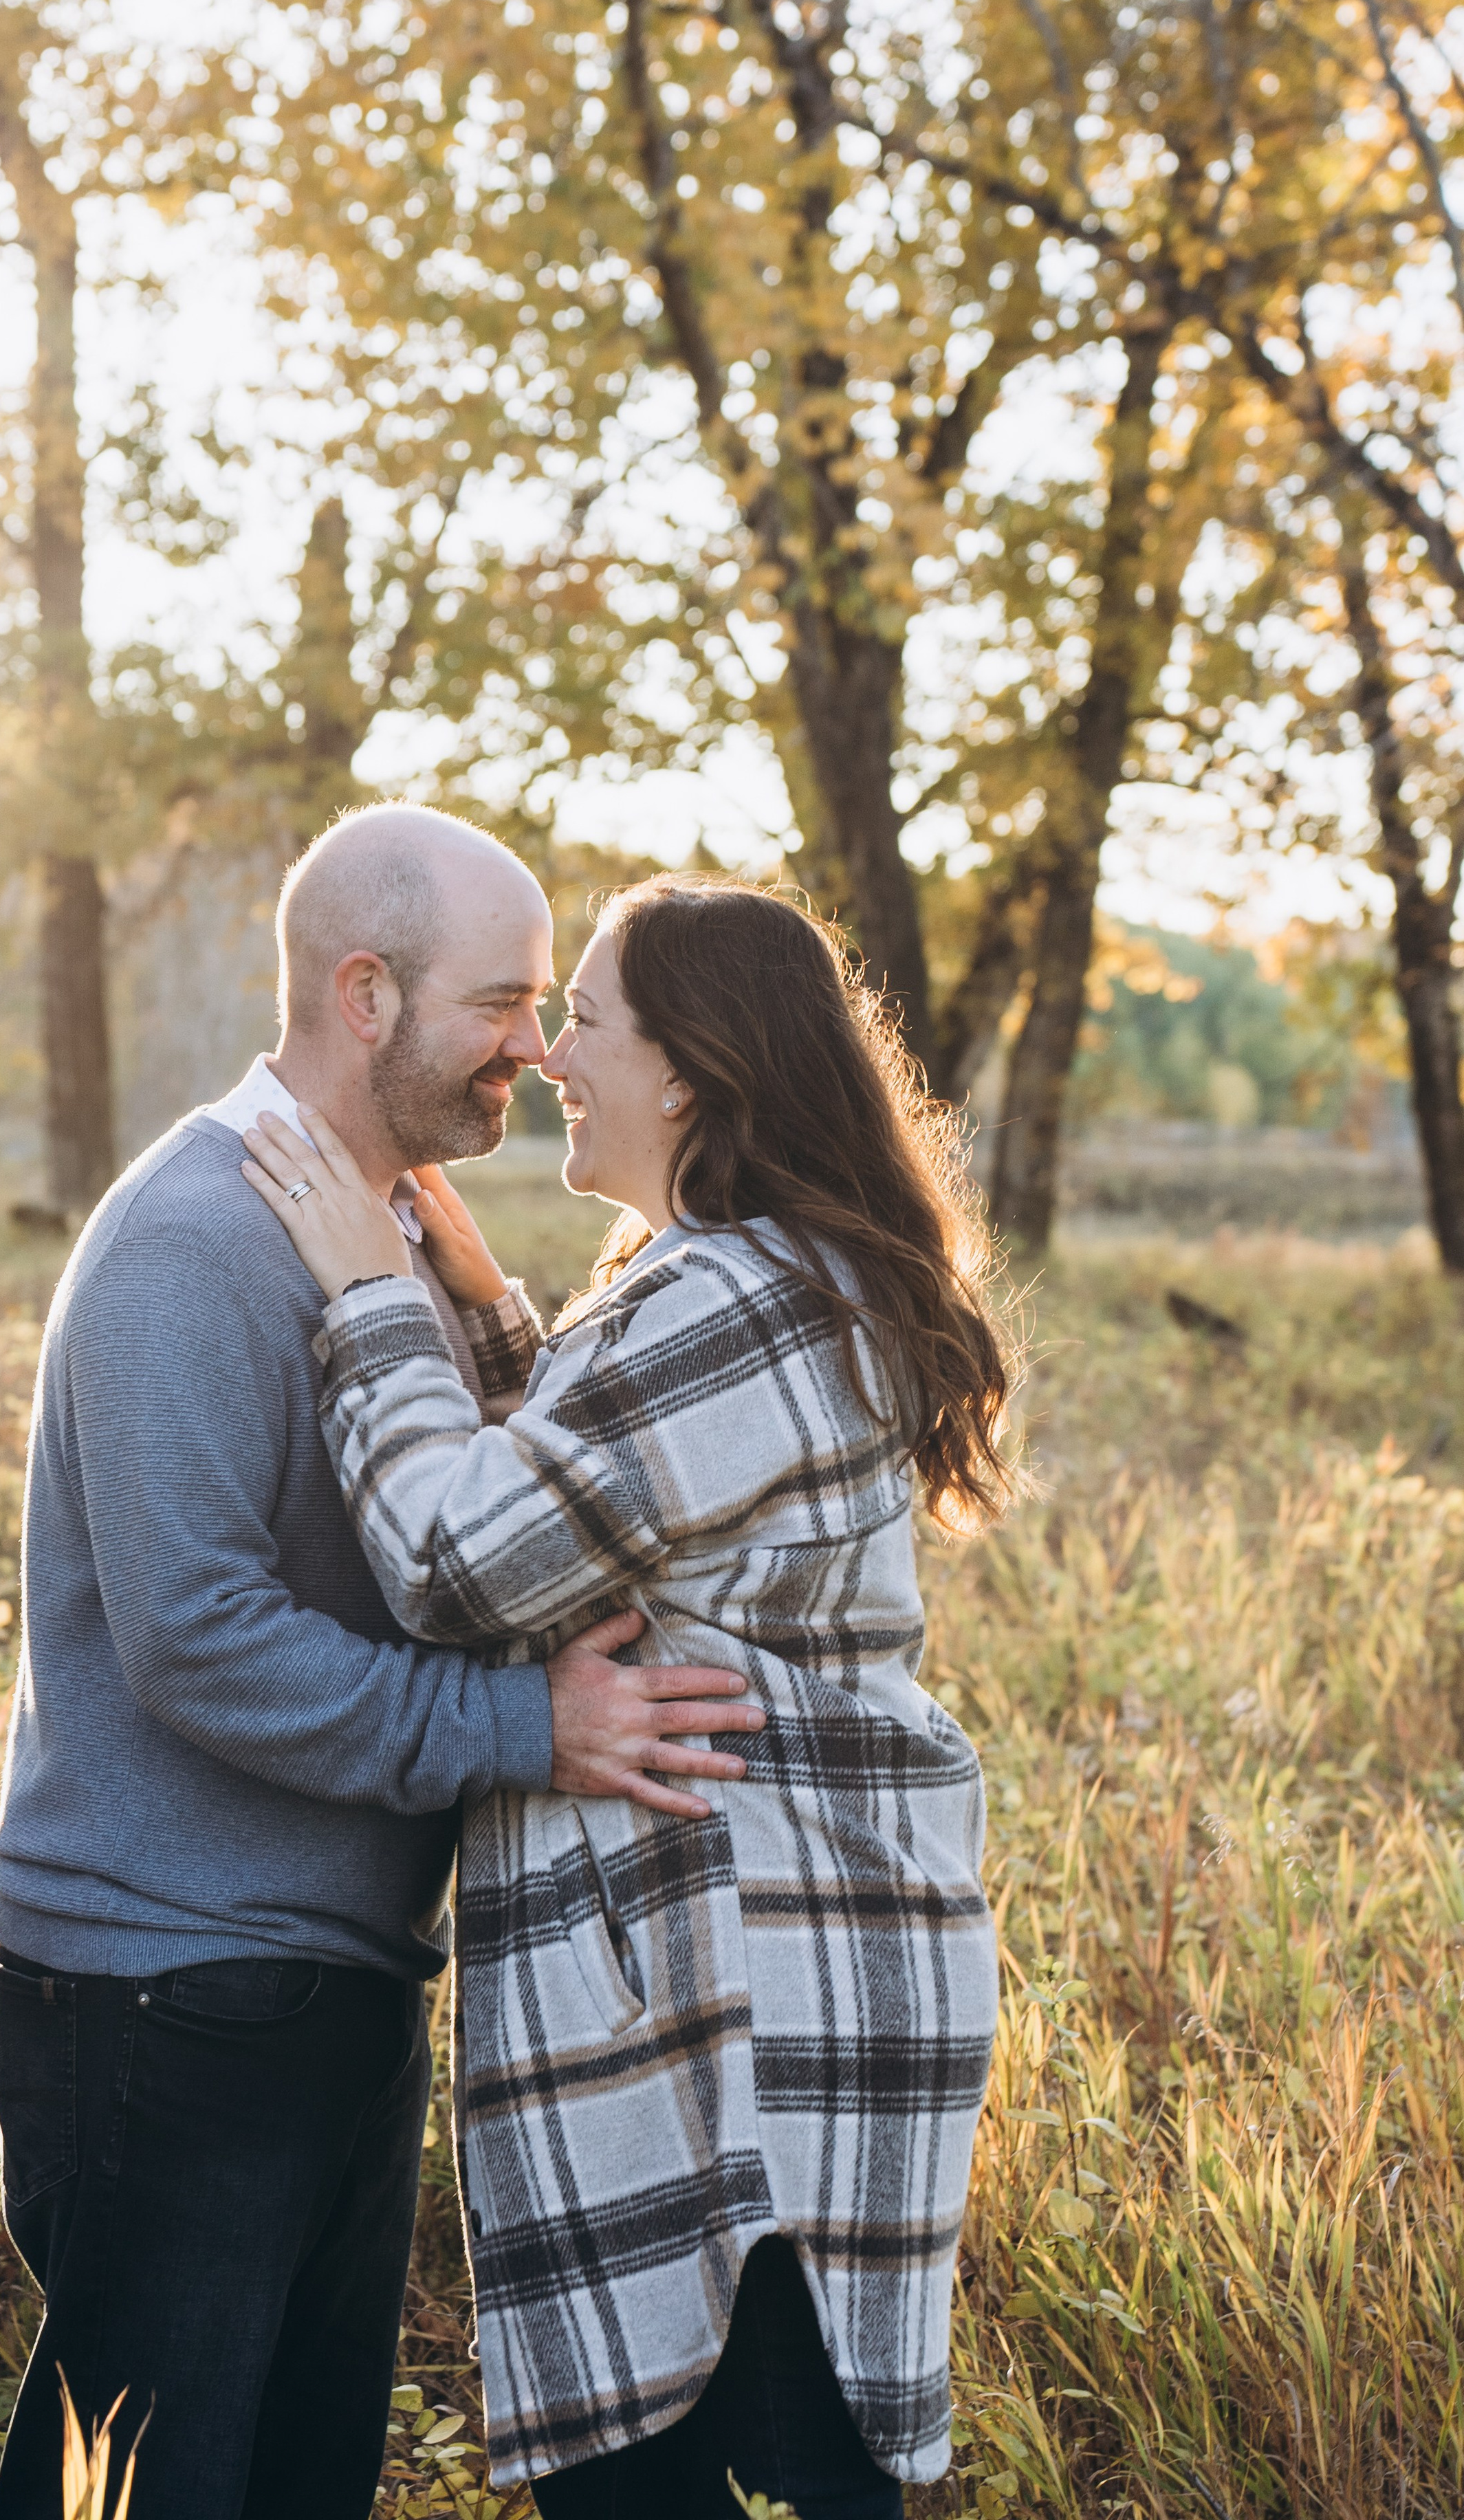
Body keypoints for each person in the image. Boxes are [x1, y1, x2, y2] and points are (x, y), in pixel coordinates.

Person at [0, 809, 765, 2520]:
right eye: (501, 1004)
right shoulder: (191, 1241)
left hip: (321, 1973)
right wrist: (521, 1728)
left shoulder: (382, 1229)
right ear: (362, 996)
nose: (538, 1049)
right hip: (167, 1985)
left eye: (549, 1006)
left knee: (293, 2481)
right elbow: (199, 1644)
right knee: (143, 2487)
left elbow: (485, 1517)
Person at [242, 873, 1015, 2519]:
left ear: (688, 1067)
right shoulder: (742, 1279)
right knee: (756, 2472)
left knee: (687, 2484)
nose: (540, 1055)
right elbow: (630, 1517)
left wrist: (367, 1300)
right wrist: (496, 1319)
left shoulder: (733, 1294)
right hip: (763, 1983)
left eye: (577, 1017)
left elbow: (463, 1566)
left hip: (745, 2013)